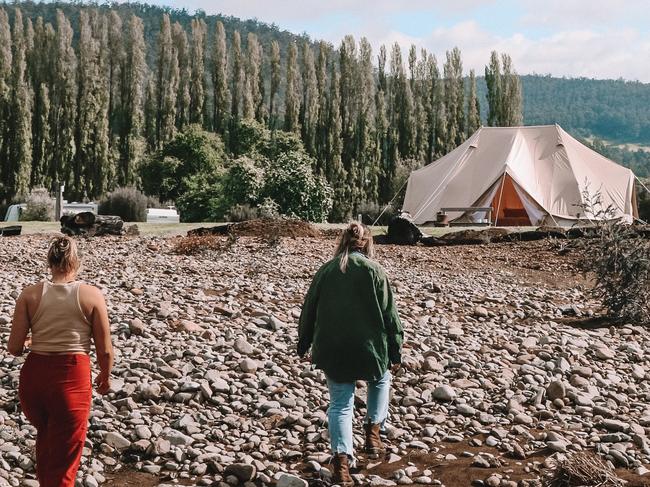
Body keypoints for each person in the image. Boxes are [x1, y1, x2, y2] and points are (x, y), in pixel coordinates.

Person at [298, 222, 403, 487]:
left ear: (342, 242)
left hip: (333, 348)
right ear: (367, 243)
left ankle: (342, 465)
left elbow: (309, 309)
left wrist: (304, 343)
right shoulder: (375, 271)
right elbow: (391, 316)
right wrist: (396, 350)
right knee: (380, 380)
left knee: (340, 405)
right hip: (369, 348)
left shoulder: (326, 270)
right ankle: (373, 433)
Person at [8, 236, 114, 487]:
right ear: (76, 261)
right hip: (71, 378)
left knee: (47, 440)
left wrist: (35, 340)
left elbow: (13, 347)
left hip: (33, 379)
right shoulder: (91, 295)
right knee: (65, 458)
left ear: (50, 261)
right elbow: (105, 350)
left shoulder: (30, 294)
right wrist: (105, 376)